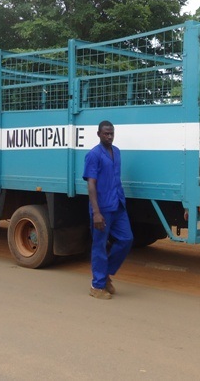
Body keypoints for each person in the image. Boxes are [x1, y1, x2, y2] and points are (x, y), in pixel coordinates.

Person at [83, 121, 134, 299]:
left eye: (111, 133)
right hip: (102, 208)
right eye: (106, 134)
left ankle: (104, 276)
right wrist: (96, 212)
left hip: (118, 205)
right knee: (99, 245)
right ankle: (97, 286)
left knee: (127, 239)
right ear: (98, 134)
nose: (109, 136)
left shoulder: (117, 152)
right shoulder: (93, 155)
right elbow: (91, 184)